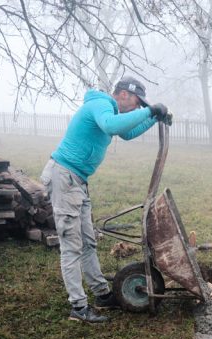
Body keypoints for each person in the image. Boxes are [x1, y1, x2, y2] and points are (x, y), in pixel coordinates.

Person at [41, 76, 171, 323]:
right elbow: (112, 126)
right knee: (71, 245)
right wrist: (151, 110)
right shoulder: (100, 105)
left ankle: (102, 295)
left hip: (77, 180)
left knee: (88, 242)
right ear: (123, 94)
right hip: (64, 176)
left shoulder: (110, 110)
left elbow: (127, 133)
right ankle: (78, 308)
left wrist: (154, 117)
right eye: (136, 102)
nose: (136, 107)